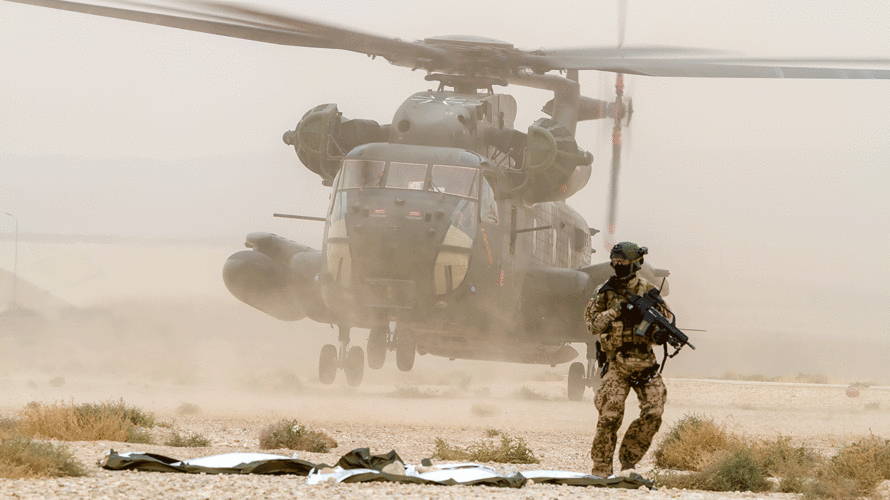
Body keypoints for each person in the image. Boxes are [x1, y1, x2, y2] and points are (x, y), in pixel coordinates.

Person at [584, 241, 673, 478]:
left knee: (654, 412)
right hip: (617, 363)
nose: (617, 265)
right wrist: (617, 311)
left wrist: (658, 333)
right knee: (609, 417)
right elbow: (593, 324)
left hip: (645, 363)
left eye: (622, 261)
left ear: (635, 263)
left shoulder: (649, 291)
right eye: (615, 261)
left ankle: (628, 462)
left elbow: (664, 324)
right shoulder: (605, 291)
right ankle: (600, 471)